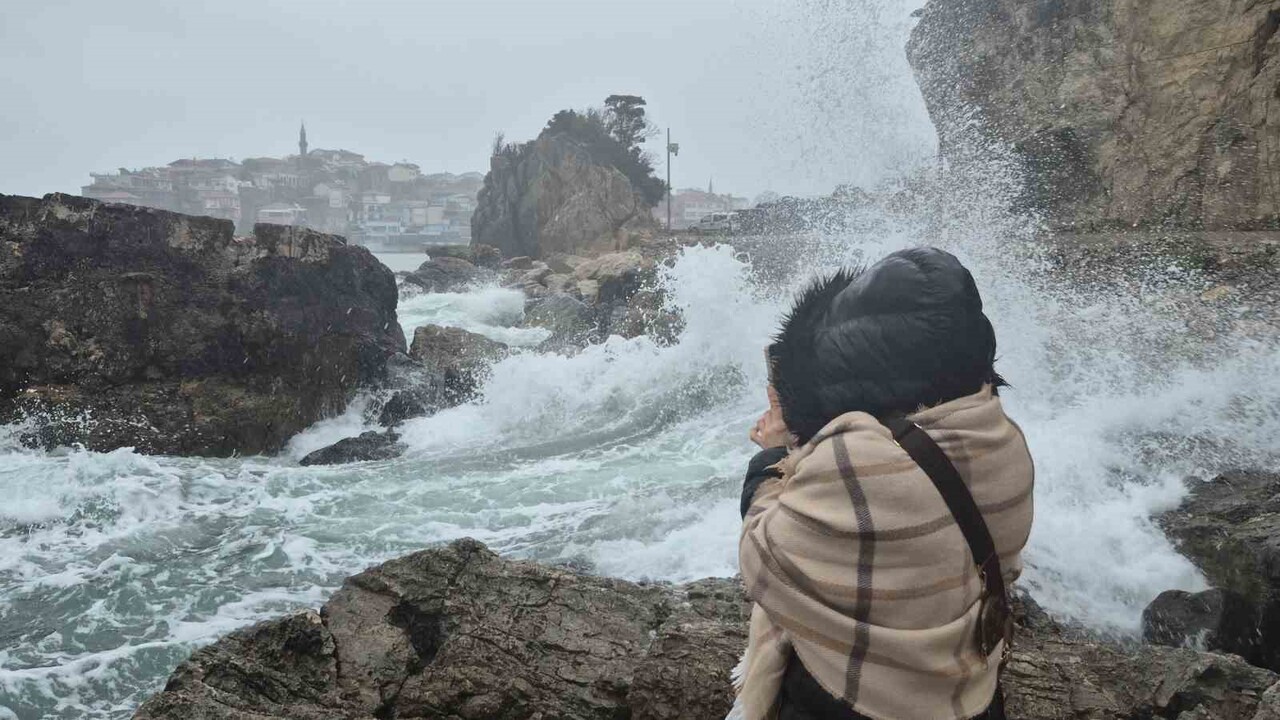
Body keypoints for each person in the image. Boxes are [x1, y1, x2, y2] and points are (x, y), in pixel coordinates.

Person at [730, 247, 1035, 720]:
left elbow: (763, 560)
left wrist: (777, 453)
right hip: (970, 696)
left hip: (851, 700)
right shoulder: (998, 439)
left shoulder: (854, 462)